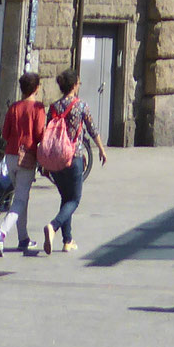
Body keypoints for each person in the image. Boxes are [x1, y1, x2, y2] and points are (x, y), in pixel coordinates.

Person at [42, 66, 108, 254]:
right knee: (75, 199)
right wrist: (102, 150)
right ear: (74, 85)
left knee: (65, 198)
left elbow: (48, 132)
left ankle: (67, 240)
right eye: (78, 82)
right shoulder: (80, 105)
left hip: (56, 159)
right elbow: (92, 129)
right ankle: (53, 226)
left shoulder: (54, 107)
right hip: (74, 157)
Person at [0, 71, 47, 256]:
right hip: (27, 158)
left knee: (21, 197)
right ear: (36, 88)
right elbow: (40, 134)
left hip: (11, 157)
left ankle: (23, 238)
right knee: (21, 200)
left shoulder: (14, 107)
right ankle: (1, 233)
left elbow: (5, 134)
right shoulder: (38, 108)